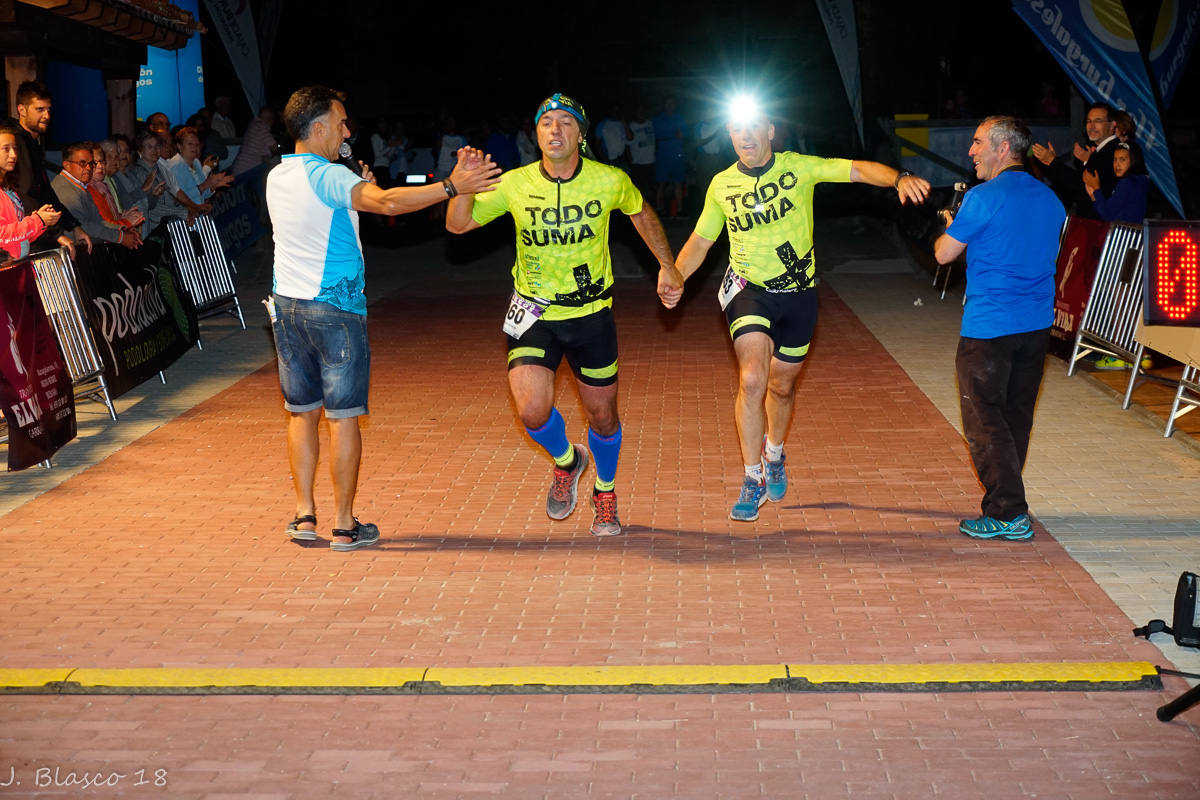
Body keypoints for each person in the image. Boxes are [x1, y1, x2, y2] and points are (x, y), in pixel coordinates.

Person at [663, 99, 931, 522]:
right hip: (748, 291)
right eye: (735, 130)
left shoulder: (799, 168)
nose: (744, 137)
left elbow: (858, 169)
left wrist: (898, 177)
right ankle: (752, 479)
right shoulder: (721, 185)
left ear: (770, 131)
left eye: (752, 128)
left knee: (782, 387)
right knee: (753, 378)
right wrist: (675, 275)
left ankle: (774, 454)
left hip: (799, 294)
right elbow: (701, 241)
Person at [267, 85, 499, 551]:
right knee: (344, 417)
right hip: (334, 309)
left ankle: (303, 516)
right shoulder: (328, 175)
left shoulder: (278, 175)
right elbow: (390, 203)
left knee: (302, 414)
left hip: (287, 308)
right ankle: (344, 525)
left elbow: (327, 216)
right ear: (316, 129)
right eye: (341, 123)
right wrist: (453, 187)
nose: (347, 131)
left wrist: (357, 187)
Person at [445, 93, 679, 537]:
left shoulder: (609, 180)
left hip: (591, 315)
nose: (555, 130)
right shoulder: (514, 184)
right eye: (546, 122)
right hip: (533, 312)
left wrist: (667, 265)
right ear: (536, 134)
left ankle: (604, 491)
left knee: (603, 416)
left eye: (566, 123)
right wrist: (463, 186)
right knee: (532, 411)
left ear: (580, 134)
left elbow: (642, 213)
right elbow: (458, 226)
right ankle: (569, 462)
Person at [933, 116, 1066, 540]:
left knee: (984, 419)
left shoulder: (982, 197)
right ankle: (1004, 505)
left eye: (977, 143)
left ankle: (1008, 511)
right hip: (1036, 327)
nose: (971, 151)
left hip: (989, 328)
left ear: (1003, 148)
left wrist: (950, 223)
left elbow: (943, 254)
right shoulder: (1052, 200)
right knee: (1014, 418)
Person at [9, 81, 89, 257]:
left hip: (36, 235)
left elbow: (46, 192)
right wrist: (56, 235)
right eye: (39, 109)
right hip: (25, 241)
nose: (46, 115)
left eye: (48, 110)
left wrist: (73, 225)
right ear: (21, 110)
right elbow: (25, 195)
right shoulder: (18, 143)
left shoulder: (31, 143)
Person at [1031, 101, 1118, 218]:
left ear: (1112, 125)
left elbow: (1081, 184)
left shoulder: (1113, 151)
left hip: (1101, 224)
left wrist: (1053, 162)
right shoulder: (1102, 151)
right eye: (1088, 121)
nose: (1091, 126)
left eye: (1098, 121)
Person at [51, 142, 141, 249]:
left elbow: (98, 221)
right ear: (67, 165)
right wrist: (120, 237)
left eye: (91, 163)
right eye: (83, 163)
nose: (89, 168)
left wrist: (122, 229)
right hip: (74, 252)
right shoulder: (66, 189)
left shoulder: (79, 185)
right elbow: (83, 226)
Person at [0, 122, 62, 260]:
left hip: (17, 264)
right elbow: (2, 237)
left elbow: (20, 238)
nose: (13, 154)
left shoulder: (9, 188)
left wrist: (42, 222)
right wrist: (37, 220)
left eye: (15, 148)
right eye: (6, 149)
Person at [165, 125, 233, 224]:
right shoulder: (175, 165)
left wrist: (214, 186)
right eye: (190, 144)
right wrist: (207, 184)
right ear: (179, 146)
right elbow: (181, 197)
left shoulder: (196, 162)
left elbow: (202, 193)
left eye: (197, 144)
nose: (194, 147)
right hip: (184, 220)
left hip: (199, 217)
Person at [653, 96, 686, 217]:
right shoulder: (658, 119)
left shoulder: (679, 118)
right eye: (667, 103)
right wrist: (674, 134)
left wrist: (676, 134)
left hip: (677, 154)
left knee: (678, 183)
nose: (669, 106)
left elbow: (684, 134)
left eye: (672, 103)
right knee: (661, 184)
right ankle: (659, 209)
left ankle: (680, 210)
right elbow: (657, 134)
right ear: (664, 105)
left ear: (675, 105)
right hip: (663, 155)